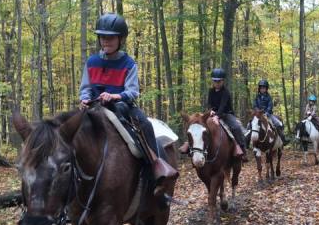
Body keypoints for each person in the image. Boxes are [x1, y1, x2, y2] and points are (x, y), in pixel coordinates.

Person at [79, 13, 178, 191]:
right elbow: (85, 87)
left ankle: (156, 167)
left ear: (121, 39)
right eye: (102, 37)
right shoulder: (91, 62)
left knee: (145, 124)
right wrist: (84, 98)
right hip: (93, 109)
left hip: (122, 107)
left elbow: (132, 91)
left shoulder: (128, 63)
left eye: (110, 38)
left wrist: (115, 96)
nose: (105, 42)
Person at [179, 68, 248, 161]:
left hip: (226, 114)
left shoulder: (226, 92)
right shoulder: (211, 91)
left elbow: (223, 106)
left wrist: (217, 116)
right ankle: (190, 145)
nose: (217, 83)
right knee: (199, 125)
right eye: (215, 81)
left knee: (236, 127)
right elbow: (210, 104)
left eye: (219, 81)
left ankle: (242, 149)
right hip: (213, 113)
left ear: (223, 81)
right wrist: (210, 111)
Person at [253, 79, 287, 145]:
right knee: (250, 124)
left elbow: (270, 106)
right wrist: (257, 111)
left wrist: (267, 113)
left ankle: (283, 139)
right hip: (258, 115)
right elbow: (255, 105)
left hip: (268, 114)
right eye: (261, 88)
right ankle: (247, 141)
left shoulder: (269, 97)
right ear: (259, 89)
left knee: (278, 123)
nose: (262, 89)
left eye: (264, 88)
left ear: (266, 89)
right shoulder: (257, 97)